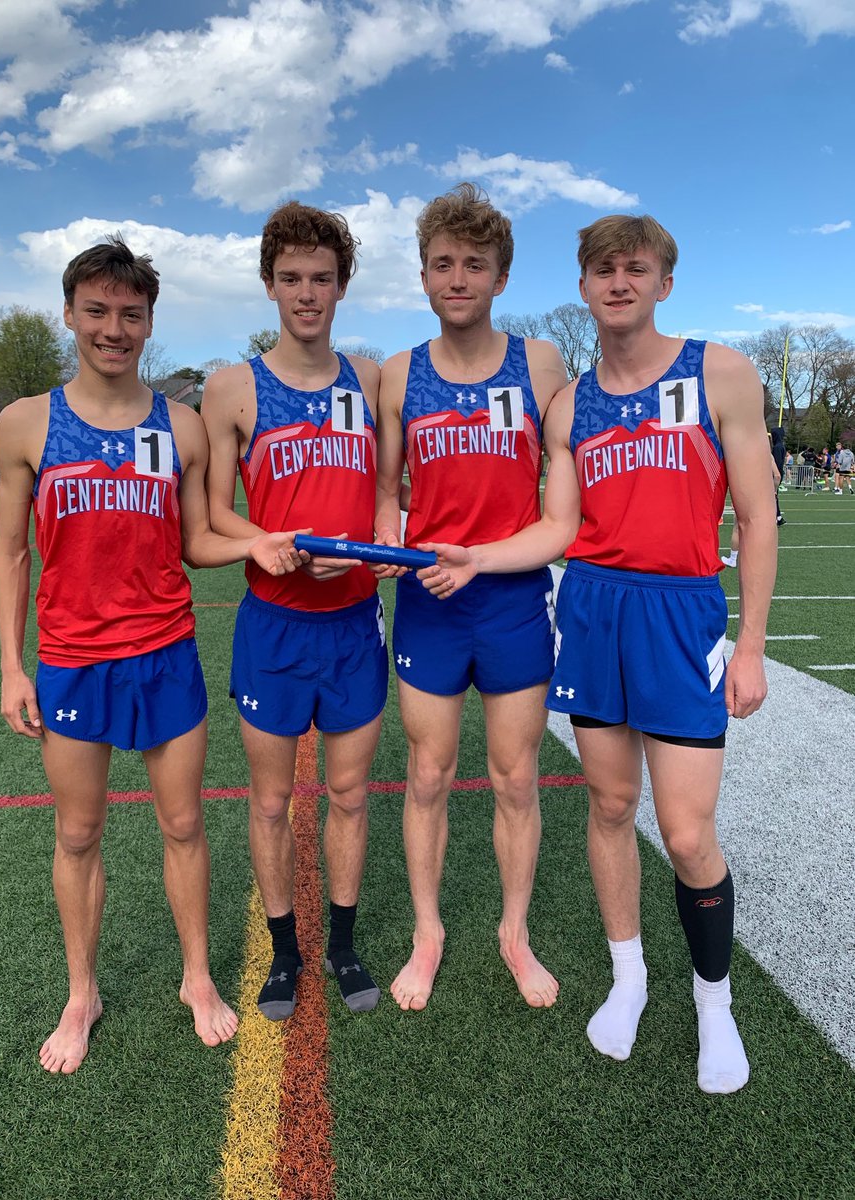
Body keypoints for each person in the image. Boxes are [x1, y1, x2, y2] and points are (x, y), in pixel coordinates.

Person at [418, 214, 777, 1093]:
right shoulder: (570, 404)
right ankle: (629, 979)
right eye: (603, 271)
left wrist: (754, 647)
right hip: (591, 611)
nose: (618, 283)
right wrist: (477, 556)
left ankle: (713, 1003)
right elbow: (558, 526)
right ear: (582, 287)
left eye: (636, 268)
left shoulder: (719, 371)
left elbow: (760, 515)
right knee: (611, 806)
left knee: (688, 834)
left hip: (681, 613)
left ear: (663, 282)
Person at [0, 235, 270, 1073]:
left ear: (149, 322)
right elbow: (10, 552)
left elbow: (198, 541)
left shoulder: (180, 427)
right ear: (71, 314)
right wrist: (12, 665)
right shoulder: (25, 422)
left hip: (165, 654)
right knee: (78, 835)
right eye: (98, 311)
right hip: (73, 661)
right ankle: (83, 992)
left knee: (184, 823)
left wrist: (265, 544)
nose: (114, 328)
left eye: (131, 314)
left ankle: (195, 977)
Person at [374, 182, 568, 1011]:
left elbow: (561, 517)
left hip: (511, 599)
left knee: (516, 778)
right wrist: (392, 542)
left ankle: (512, 932)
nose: (459, 277)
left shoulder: (541, 365)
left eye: (475, 265)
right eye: (444, 264)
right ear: (423, 276)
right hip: (430, 603)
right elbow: (387, 489)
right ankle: (429, 932)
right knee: (427, 774)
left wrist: (480, 560)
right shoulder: (398, 373)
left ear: (500, 278)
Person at [201, 202, 386, 1020]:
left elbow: (386, 498)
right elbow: (212, 514)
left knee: (348, 796)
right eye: (291, 279)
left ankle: (342, 945)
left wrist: (377, 547)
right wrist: (264, 539)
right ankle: (285, 953)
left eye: (321, 279)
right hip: (274, 625)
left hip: (352, 622)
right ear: (269, 284)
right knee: (272, 801)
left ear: (342, 285)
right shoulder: (232, 387)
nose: (306, 294)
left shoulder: (371, 378)